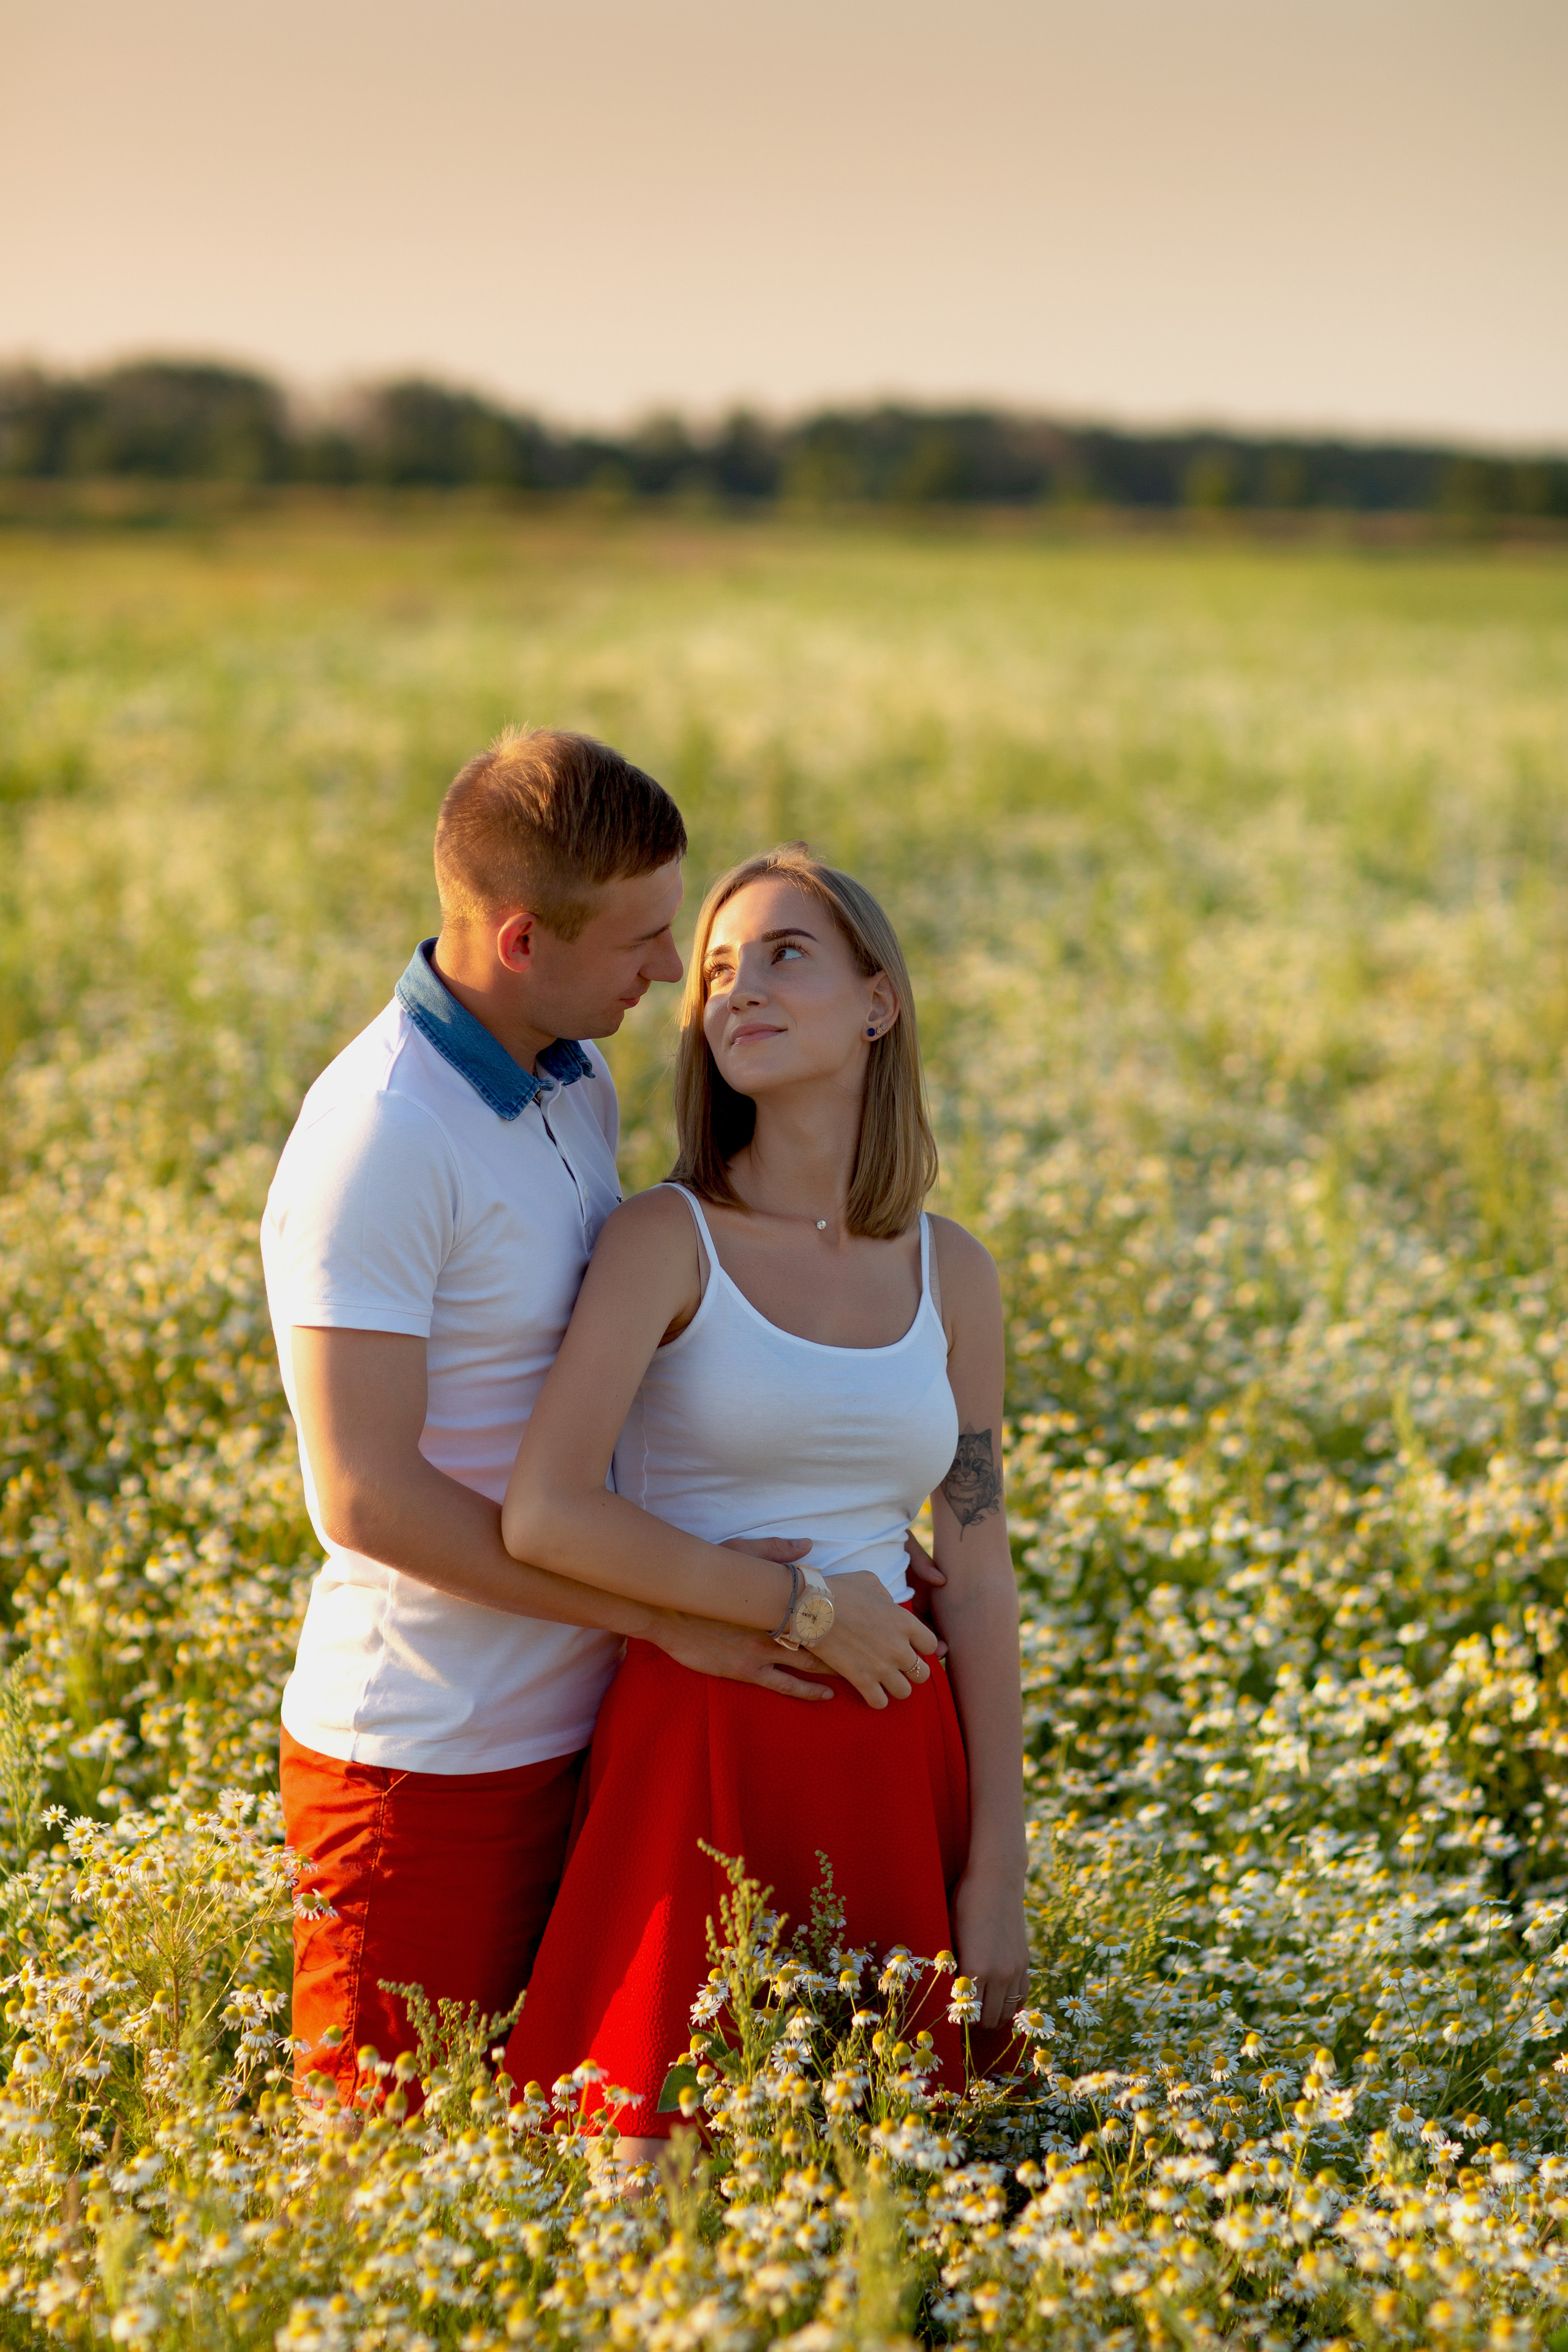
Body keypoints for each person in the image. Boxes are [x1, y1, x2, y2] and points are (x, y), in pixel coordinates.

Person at [260, 733, 940, 2100]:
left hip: (601, 1729)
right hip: (432, 1753)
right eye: (643, 941)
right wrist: (681, 1609)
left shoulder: (571, 1076)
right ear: (521, 940)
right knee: (393, 2167)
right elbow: (365, 1498)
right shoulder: (381, 1134)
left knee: (570, 2140)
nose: (667, 976)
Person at [500, 845, 1029, 2154]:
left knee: (895, 2188)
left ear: (876, 1003)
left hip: (906, 1766)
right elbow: (548, 1511)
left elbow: (975, 1560)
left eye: (784, 954)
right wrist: (799, 1609)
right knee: (661, 2183)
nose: (736, 989)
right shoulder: (660, 1240)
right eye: (717, 969)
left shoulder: (950, 1273)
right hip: (705, 1752)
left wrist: (998, 1860)